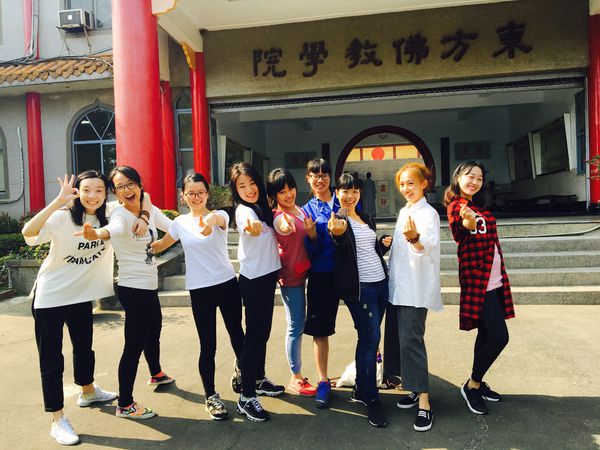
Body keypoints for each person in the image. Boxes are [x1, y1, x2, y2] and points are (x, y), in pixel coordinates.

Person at [22, 171, 128, 445]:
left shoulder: (110, 215)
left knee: (83, 348)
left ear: (106, 193)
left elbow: (142, 200)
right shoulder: (62, 217)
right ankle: (57, 419)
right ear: (77, 193)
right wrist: (58, 201)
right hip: (50, 297)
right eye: (86, 190)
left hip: (80, 295)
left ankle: (88, 391)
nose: (92, 196)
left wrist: (142, 217)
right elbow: (28, 232)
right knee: (51, 359)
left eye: (99, 190)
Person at [80, 166, 174, 420]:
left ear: (140, 184)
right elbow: (114, 229)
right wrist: (98, 234)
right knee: (134, 344)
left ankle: (156, 373)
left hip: (148, 285)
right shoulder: (119, 213)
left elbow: (175, 228)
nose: (126, 190)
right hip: (133, 288)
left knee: (154, 330)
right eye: (120, 187)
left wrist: (161, 242)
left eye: (130, 183)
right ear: (115, 192)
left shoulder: (148, 207)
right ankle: (125, 403)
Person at [150, 172, 244, 420]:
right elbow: (161, 245)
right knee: (208, 344)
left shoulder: (220, 215)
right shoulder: (180, 223)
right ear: (183, 196)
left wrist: (209, 221)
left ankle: (246, 384)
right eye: (190, 193)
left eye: (200, 192)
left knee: (238, 335)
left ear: (207, 194)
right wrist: (140, 242)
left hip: (226, 284)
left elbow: (217, 218)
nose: (195, 197)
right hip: (200, 289)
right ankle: (211, 396)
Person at [444, 161, 515, 415]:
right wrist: (469, 223)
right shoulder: (458, 206)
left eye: (479, 178)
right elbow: (463, 225)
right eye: (469, 176)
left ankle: (477, 380)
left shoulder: (477, 207)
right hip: (478, 281)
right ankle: (472, 385)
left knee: (486, 334)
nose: (474, 181)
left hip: (494, 280)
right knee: (499, 337)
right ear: (458, 178)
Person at [328, 172, 392, 428]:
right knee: (371, 340)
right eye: (345, 191)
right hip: (361, 289)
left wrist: (381, 246)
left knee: (367, 339)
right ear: (337, 193)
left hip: (381, 285)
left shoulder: (366, 218)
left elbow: (367, 251)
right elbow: (339, 238)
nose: (350, 195)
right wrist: (337, 233)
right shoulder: (339, 219)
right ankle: (371, 398)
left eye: (355, 191)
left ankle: (360, 389)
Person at [388, 163, 443, 432]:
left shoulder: (428, 213)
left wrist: (414, 239)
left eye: (411, 183)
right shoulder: (405, 211)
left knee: (412, 341)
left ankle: (424, 403)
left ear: (424, 184)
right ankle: (413, 387)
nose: (406, 188)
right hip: (400, 287)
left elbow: (426, 246)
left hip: (416, 289)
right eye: (402, 184)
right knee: (403, 341)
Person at [230, 162, 285, 422]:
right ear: (236, 190)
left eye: (252, 183)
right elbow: (248, 226)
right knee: (254, 337)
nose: (249, 189)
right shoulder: (244, 211)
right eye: (242, 186)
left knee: (262, 333)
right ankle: (246, 396)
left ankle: (258, 379)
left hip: (267, 278)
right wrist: (251, 229)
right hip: (253, 281)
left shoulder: (262, 208)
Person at [266, 168, 317, 397]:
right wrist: (285, 227)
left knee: (301, 323)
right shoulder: (280, 216)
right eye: (282, 192)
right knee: (296, 325)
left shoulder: (299, 209)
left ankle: (298, 375)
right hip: (291, 277)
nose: (288, 195)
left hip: (305, 270)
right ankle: (296, 377)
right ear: (274, 195)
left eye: (290, 188)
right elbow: (282, 226)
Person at [301, 158, 340, 408]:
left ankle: (367, 377)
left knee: (365, 325)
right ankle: (323, 380)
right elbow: (309, 250)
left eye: (324, 174)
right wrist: (312, 235)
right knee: (320, 330)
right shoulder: (305, 211)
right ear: (308, 178)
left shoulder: (344, 201)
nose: (320, 179)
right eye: (315, 175)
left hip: (347, 273)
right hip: (321, 275)